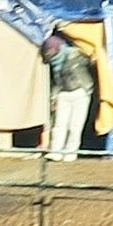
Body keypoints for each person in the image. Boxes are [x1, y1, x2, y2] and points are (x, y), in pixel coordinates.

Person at [42, 32, 93, 161]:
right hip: (63, 93)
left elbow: (91, 59)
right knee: (59, 125)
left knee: (75, 125)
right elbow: (57, 80)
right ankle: (56, 151)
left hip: (80, 92)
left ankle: (71, 152)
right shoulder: (54, 62)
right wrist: (54, 97)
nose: (49, 54)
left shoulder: (75, 54)